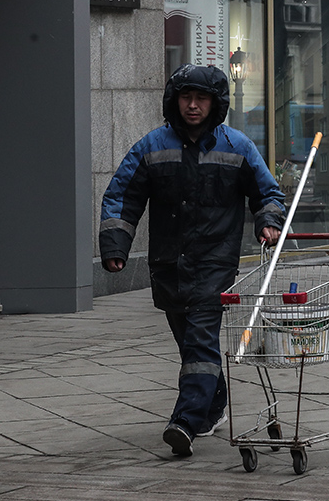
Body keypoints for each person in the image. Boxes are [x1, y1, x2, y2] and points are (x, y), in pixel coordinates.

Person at [99, 63, 285, 458]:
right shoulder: (151, 147)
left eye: (202, 98)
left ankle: (183, 422)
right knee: (190, 345)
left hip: (216, 263)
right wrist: (115, 245)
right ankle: (212, 405)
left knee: (200, 341)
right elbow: (122, 196)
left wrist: (268, 222)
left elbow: (267, 193)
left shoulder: (237, 147)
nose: (193, 105)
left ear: (216, 103)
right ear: (175, 100)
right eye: (187, 97)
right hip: (168, 265)